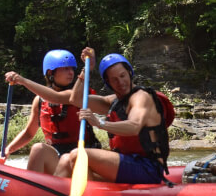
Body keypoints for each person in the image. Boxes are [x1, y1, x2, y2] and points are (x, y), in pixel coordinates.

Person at [52, 47, 170, 184]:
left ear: (129, 73)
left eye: (122, 76)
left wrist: (99, 123)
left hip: (148, 168)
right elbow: (76, 99)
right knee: (66, 159)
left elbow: (135, 126)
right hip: (128, 164)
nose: (120, 82)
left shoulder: (141, 97)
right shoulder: (113, 101)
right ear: (108, 83)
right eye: (114, 80)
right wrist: (87, 69)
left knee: (79, 155)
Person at [0, 49, 101, 173]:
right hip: (57, 157)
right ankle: (33, 189)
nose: (71, 72)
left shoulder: (79, 95)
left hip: (81, 155)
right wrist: (8, 149)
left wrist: (23, 81)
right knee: (38, 148)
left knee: (62, 155)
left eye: (72, 69)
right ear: (51, 72)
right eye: (65, 68)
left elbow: (56, 97)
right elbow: (29, 133)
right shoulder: (40, 101)